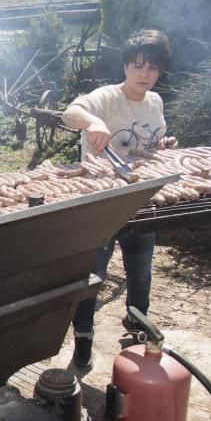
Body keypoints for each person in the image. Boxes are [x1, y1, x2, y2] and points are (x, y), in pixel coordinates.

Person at [61, 29, 178, 370]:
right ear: (126, 65)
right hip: (103, 206)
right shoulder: (108, 97)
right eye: (139, 65)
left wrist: (163, 146)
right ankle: (83, 341)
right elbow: (71, 113)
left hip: (142, 203)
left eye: (153, 68)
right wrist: (93, 121)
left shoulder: (155, 102)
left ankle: (137, 329)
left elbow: (149, 146)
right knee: (92, 277)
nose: (145, 74)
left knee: (140, 276)